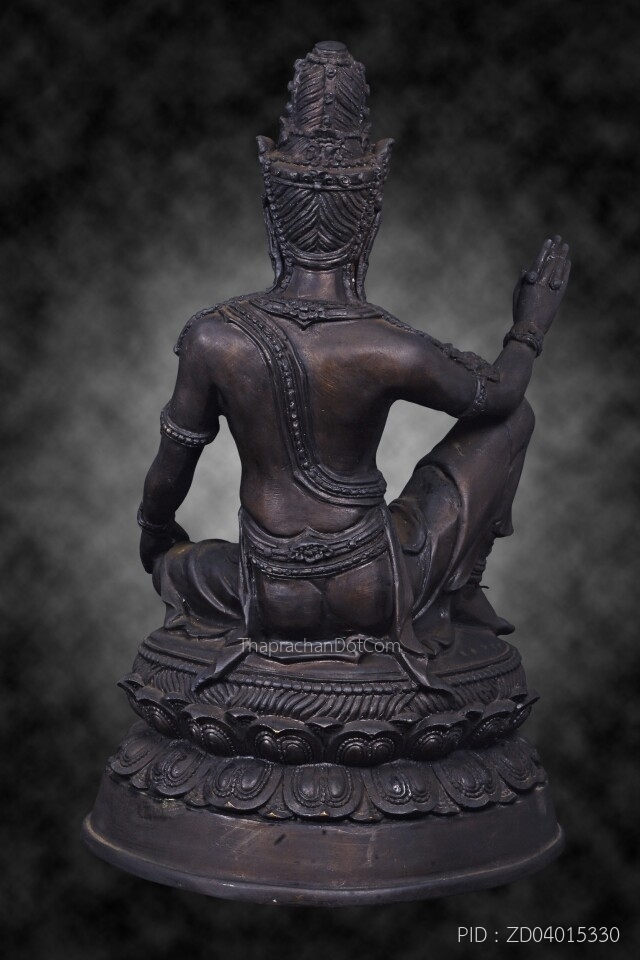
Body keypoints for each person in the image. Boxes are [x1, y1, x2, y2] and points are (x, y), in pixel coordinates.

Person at [136, 42, 570, 688]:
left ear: (272, 216)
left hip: (264, 592)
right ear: (370, 220)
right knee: (513, 420)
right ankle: (460, 586)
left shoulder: (214, 337)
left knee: (180, 567)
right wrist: (530, 326)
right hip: (375, 585)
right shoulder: (389, 344)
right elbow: (501, 395)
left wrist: (155, 536)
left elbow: (171, 469)